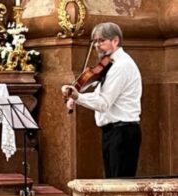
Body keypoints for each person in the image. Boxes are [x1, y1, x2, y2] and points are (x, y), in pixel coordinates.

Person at [61, 22, 142, 178]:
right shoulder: (109, 65)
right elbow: (101, 94)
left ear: (115, 41)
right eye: (95, 41)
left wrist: (78, 96)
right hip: (114, 132)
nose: (97, 45)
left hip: (123, 132)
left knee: (119, 187)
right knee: (112, 183)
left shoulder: (121, 66)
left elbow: (104, 103)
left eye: (101, 41)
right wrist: (77, 97)